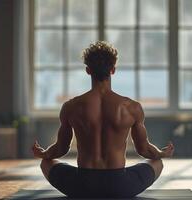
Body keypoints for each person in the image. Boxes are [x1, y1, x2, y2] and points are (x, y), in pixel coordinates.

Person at [32, 41, 175, 198]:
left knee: (46, 163)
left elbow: (61, 149)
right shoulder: (131, 107)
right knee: (157, 162)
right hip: (120, 186)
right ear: (113, 70)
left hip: (83, 186)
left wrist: (44, 153)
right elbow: (144, 150)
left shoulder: (71, 107)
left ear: (88, 70)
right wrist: (162, 153)